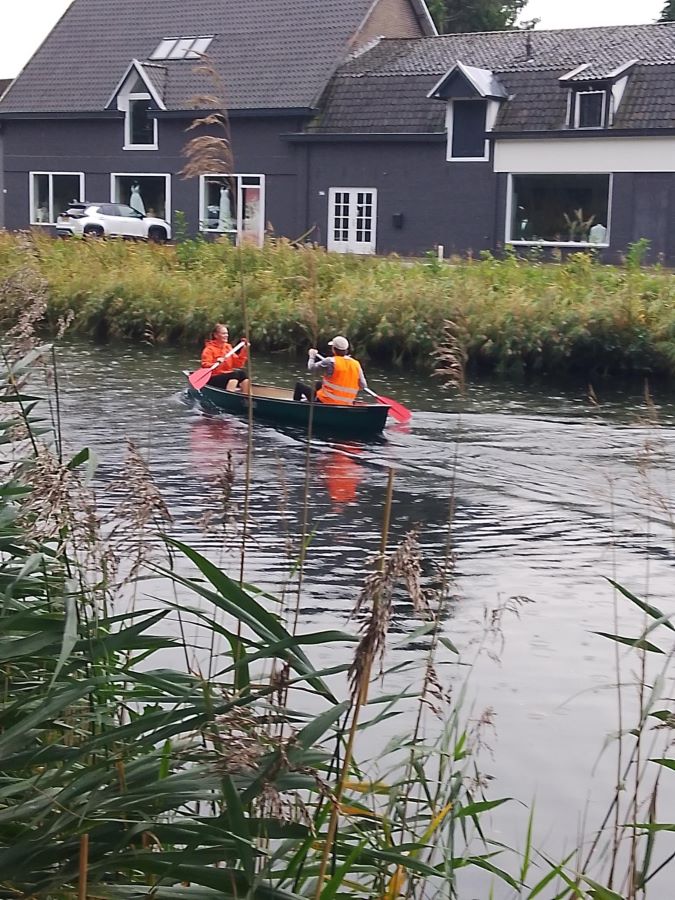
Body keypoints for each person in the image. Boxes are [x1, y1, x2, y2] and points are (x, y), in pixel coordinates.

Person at [293, 335, 367, 404]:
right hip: (347, 403)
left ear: (333, 349)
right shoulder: (356, 364)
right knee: (319, 384)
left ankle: (296, 407)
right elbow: (363, 385)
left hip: (327, 402)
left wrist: (312, 356)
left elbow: (311, 368)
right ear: (346, 350)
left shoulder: (330, 361)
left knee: (299, 386)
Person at [201, 323, 250, 392]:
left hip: (227, 376)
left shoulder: (228, 347)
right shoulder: (209, 349)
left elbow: (238, 364)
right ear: (216, 335)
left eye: (227, 333)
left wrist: (244, 351)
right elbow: (204, 365)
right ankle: (230, 396)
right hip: (213, 378)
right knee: (234, 375)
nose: (226, 335)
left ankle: (246, 398)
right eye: (223, 333)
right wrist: (216, 363)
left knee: (242, 374)